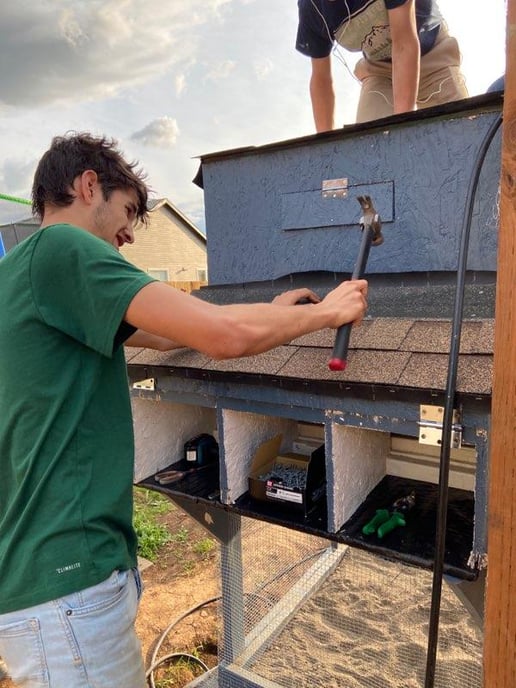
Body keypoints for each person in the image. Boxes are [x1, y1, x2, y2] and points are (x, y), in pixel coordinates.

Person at [0, 132, 368, 688]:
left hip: (47, 583)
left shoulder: (20, 272)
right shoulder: (65, 250)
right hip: (67, 583)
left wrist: (268, 311)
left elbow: (167, 332)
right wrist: (330, 312)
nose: (127, 235)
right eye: (126, 212)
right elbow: (222, 336)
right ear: (87, 185)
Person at [296, 0, 469, 130]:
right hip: (379, 68)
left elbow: (403, 43)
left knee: (457, 133)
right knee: (370, 146)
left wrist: (402, 126)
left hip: (430, 52)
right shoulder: (311, 8)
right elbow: (321, 79)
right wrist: (325, 148)